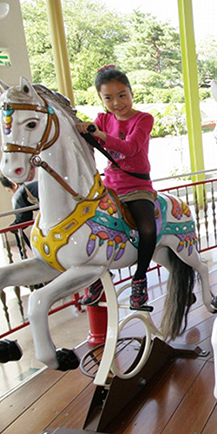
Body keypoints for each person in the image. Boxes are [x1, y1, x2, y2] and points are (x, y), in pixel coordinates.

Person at [75, 66, 157, 311]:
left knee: (147, 227)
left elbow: (130, 148)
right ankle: (99, 277)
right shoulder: (102, 119)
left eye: (122, 95)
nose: (116, 102)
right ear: (101, 99)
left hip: (137, 186)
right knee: (87, 226)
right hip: (108, 186)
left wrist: (99, 133)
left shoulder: (143, 119)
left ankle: (140, 278)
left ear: (131, 93)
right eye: (108, 98)